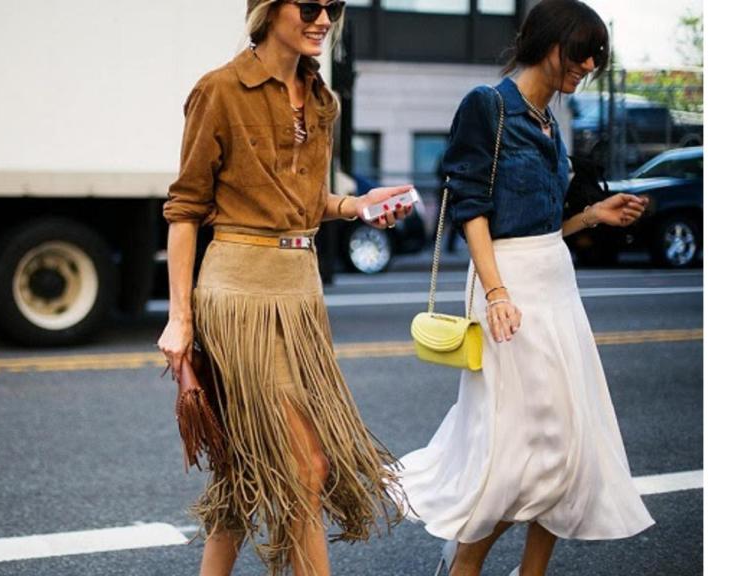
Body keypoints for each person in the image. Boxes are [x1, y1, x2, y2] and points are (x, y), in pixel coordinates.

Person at [388, 2, 655, 575]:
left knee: (569, 444)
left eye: (596, 56)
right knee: (521, 451)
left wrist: (591, 217)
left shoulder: (546, 120)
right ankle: (463, 565)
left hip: (553, 282)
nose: (587, 63)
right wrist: (497, 293)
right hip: (508, 285)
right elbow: (471, 207)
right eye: (580, 50)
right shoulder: (489, 106)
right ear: (546, 40)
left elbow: (540, 222)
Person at [158, 1, 414, 574]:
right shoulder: (219, 90)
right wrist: (180, 318)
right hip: (239, 293)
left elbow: (303, 202)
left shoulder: (323, 99)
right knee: (306, 467)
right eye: (310, 5)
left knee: (242, 468)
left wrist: (356, 206)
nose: (324, 18)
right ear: (269, 10)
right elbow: (185, 211)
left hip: (301, 293)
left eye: (335, 6)